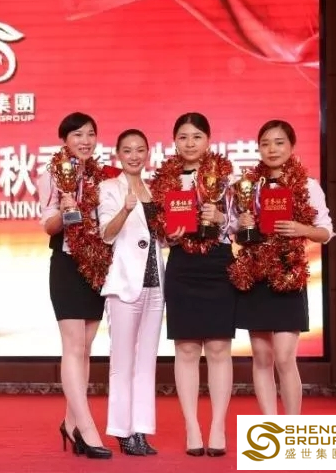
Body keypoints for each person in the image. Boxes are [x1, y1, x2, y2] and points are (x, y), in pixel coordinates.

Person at [148, 112, 237, 457]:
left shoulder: (227, 178)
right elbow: (156, 231)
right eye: (183, 137)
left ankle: (217, 426)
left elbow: (244, 224)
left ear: (208, 140)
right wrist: (168, 235)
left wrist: (221, 218)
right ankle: (192, 426)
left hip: (218, 263)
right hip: (183, 265)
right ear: (174, 141)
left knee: (218, 349)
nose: (190, 143)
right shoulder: (163, 181)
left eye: (196, 136)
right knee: (185, 349)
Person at [232, 120, 335, 415]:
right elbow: (236, 234)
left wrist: (301, 229)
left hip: (288, 274)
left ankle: (291, 427)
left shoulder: (307, 185)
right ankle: (271, 426)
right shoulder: (248, 186)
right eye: (265, 143)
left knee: (285, 357)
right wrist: (241, 224)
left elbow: (326, 232)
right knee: (262, 357)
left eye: (279, 143)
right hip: (255, 275)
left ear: (291, 146)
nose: (272, 149)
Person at [36, 112, 113, 459]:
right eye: (78, 134)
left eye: (90, 134)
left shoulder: (102, 177)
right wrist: (65, 211)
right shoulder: (52, 175)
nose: (85, 140)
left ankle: (71, 423)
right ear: (64, 140)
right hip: (67, 264)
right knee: (73, 346)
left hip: (95, 265)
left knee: (86, 348)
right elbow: (48, 226)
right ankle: (88, 427)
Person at [98, 129, 165, 456]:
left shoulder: (154, 189)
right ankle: (122, 431)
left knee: (146, 362)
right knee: (122, 362)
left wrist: (173, 235)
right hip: (124, 282)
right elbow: (106, 234)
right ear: (118, 154)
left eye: (140, 150)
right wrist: (125, 210)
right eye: (128, 150)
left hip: (155, 284)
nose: (134, 156)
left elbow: (158, 237)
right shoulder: (110, 188)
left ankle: (140, 430)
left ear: (147, 153)